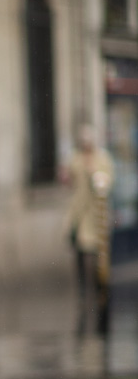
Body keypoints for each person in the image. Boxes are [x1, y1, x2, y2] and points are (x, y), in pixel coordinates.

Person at [63, 125, 115, 335]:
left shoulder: (102, 159)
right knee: (80, 257)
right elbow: (68, 178)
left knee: (96, 260)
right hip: (79, 217)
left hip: (96, 219)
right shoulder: (75, 158)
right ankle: (85, 298)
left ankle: (98, 298)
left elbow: (105, 183)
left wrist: (94, 172)